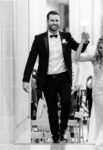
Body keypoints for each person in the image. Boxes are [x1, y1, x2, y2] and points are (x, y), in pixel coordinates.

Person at [22, 10, 89, 143]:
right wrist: (25, 79)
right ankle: (55, 136)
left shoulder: (66, 36)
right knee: (52, 110)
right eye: (52, 20)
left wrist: (85, 41)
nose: (54, 23)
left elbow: (79, 49)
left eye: (57, 20)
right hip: (47, 80)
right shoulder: (39, 39)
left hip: (63, 77)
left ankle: (63, 129)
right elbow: (31, 59)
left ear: (60, 22)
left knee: (66, 102)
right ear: (48, 22)